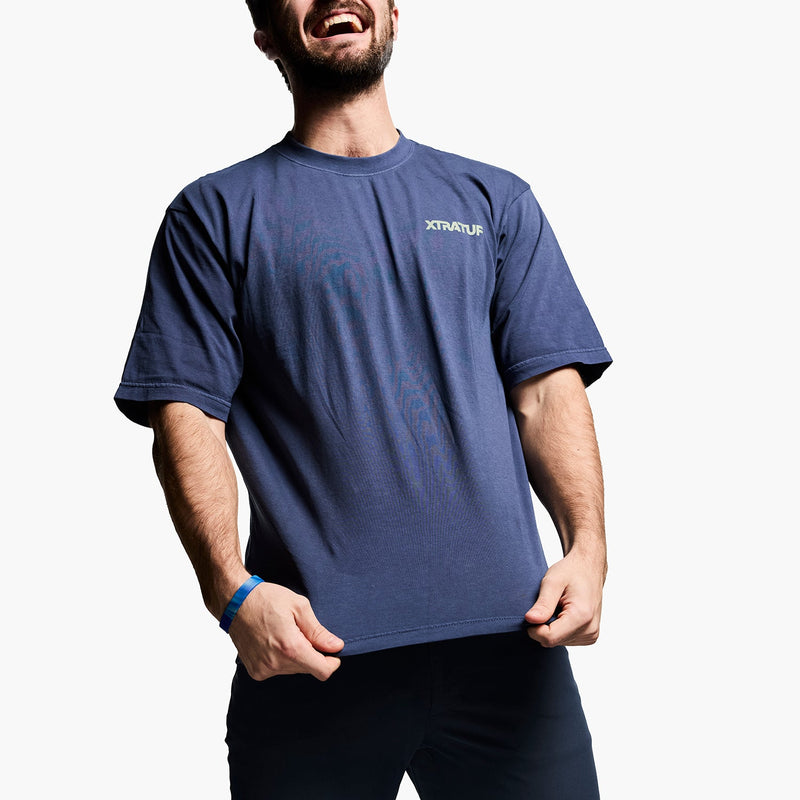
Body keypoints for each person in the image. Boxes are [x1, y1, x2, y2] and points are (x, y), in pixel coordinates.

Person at [114, 1, 613, 797]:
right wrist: (230, 593)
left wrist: (587, 550)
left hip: (513, 647)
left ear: (392, 11)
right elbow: (186, 416)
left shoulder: (494, 199)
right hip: (311, 653)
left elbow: (549, 392)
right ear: (266, 35)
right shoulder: (213, 215)